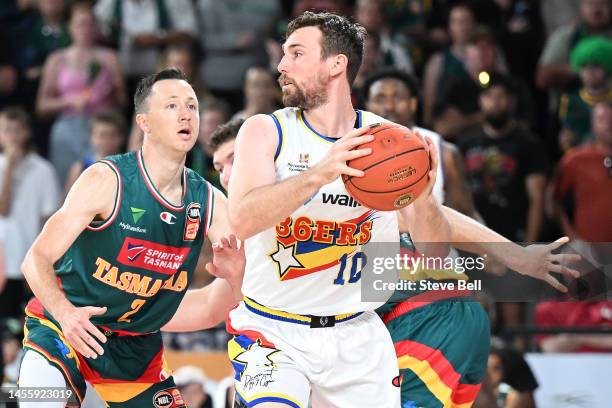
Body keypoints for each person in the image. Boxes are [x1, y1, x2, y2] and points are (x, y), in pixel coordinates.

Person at [227, 11, 578, 408]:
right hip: (273, 330)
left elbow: (432, 250)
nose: (281, 65)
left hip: (356, 334)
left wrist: (425, 199)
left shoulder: (389, 143)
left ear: (335, 65)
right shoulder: (266, 130)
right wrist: (320, 173)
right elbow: (241, 218)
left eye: (296, 53)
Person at [18, 68, 245, 408]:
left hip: (134, 350)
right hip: (61, 327)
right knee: (38, 401)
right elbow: (33, 260)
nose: (186, 114)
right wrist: (66, 314)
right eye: (171, 106)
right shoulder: (106, 179)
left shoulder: (209, 201)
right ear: (144, 122)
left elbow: (215, 306)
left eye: (192, 106)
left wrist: (238, 275)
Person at [363, 69, 478, 216]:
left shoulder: (444, 152)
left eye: (398, 98)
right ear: (367, 105)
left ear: (413, 104)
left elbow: (463, 216)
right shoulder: (349, 148)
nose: (389, 106)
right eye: (380, 99)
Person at [37, 2, 126, 185]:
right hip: (68, 128)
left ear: (96, 28)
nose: (85, 29)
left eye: (90, 24)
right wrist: (69, 101)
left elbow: (123, 101)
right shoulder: (57, 59)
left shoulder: (109, 57)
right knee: (67, 186)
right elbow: (41, 105)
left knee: (106, 183)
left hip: (102, 130)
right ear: (70, 27)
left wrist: (112, 90)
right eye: (80, 24)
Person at [0, 107, 60, 319]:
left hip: (29, 255)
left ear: (27, 132)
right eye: (7, 130)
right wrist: (8, 168)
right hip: (3, 259)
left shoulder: (43, 170)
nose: (12, 137)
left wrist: (44, 258)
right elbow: (3, 209)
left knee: (25, 319)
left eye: (17, 130)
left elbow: (49, 219)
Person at [64, 110, 126, 194]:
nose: (107, 140)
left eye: (112, 135)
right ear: (91, 137)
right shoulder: (79, 169)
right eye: (102, 135)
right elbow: (68, 203)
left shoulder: (130, 168)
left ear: (121, 137)